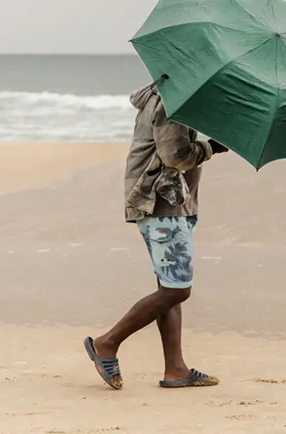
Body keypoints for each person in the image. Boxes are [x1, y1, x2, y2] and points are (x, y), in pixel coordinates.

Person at [84, 79, 228, 390]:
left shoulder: (176, 96)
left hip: (175, 203)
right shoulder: (170, 101)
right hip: (159, 204)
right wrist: (212, 147)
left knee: (169, 285)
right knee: (177, 290)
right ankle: (107, 343)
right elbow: (175, 154)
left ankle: (175, 369)